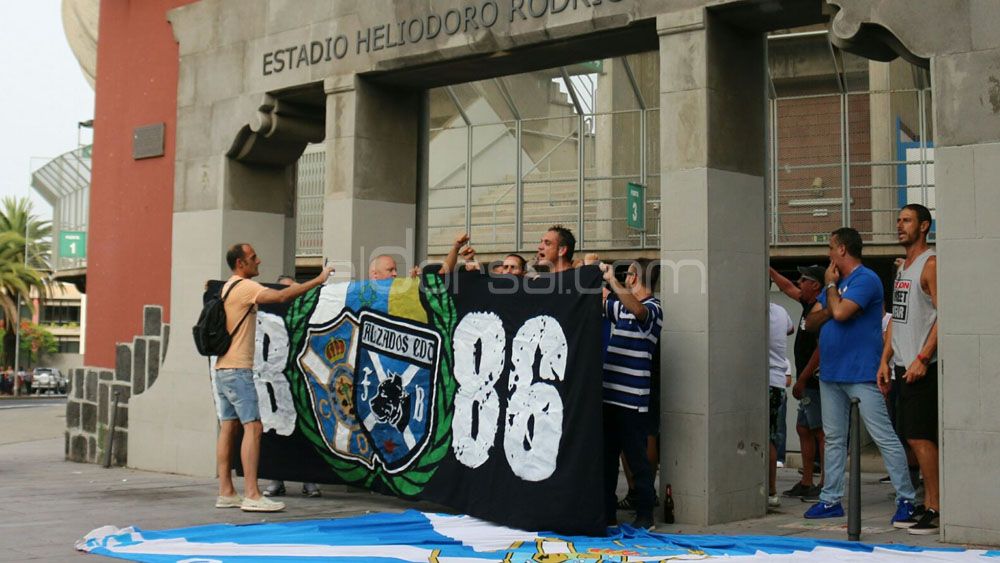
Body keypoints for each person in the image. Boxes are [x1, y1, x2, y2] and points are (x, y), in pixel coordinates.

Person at [802, 228, 917, 524]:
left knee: (883, 436)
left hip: (861, 372)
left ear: (842, 249)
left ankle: (907, 498)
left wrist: (831, 293)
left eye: (830, 247)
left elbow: (839, 314)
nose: (828, 254)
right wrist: (832, 303)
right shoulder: (837, 285)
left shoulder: (865, 279)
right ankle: (830, 500)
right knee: (835, 438)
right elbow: (811, 322)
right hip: (831, 373)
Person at [213, 243, 333, 512]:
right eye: (253, 258)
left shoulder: (226, 287)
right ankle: (253, 495)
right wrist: (317, 280)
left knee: (229, 428)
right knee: (253, 428)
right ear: (241, 264)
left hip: (222, 369)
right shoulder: (245, 287)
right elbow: (281, 297)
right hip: (238, 370)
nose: (259, 261)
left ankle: (226, 491)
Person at [878, 204, 939, 534]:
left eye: (907, 221)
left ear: (924, 226)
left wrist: (923, 358)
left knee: (921, 438)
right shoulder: (904, 268)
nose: (899, 225)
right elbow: (896, 321)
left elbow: (945, 316)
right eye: (898, 220)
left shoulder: (930, 264)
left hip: (921, 370)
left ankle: (935, 506)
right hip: (901, 367)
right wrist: (884, 360)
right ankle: (925, 501)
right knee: (909, 438)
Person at [599, 259, 662, 531]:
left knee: (637, 461)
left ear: (633, 277)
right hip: (609, 395)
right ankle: (607, 513)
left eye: (628, 274)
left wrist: (613, 280)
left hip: (632, 399)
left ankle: (645, 514)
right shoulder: (620, 308)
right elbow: (597, 300)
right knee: (606, 460)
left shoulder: (654, 309)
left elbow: (636, 309)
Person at [264, 275, 322, 499]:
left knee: (307, 433)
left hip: (303, 381)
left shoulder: (307, 316)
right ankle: (276, 479)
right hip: (278, 382)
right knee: (276, 433)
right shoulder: (271, 318)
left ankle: (309, 481)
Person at [771, 265, 825, 500]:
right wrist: (771, 270)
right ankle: (806, 482)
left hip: (813, 380)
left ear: (816, 285)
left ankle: (826, 483)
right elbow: (787, 287)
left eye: (804, 279)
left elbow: (821, 349)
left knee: (820, 431)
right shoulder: (807, 303)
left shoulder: (820, 309)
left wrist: (802, 379)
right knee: (803, 428)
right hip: (806, 380)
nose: (799, 283)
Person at [768, 302, 794, 508]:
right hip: (776, 381)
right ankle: (771, 490)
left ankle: (767, 490)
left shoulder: (750, 310)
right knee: (771, 438)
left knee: (764, 439)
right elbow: (790, 328)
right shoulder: (781, 310)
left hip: (761, 380)